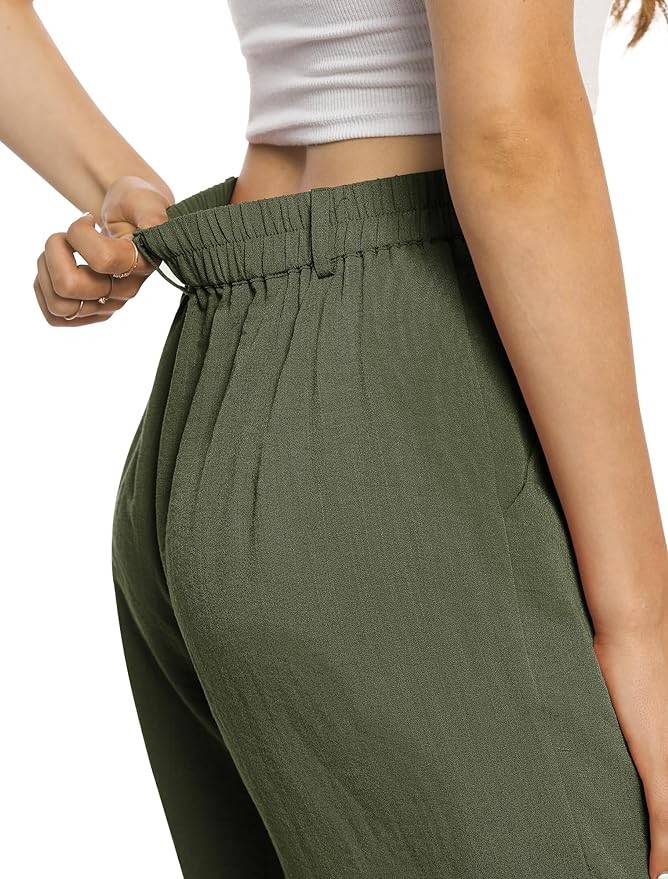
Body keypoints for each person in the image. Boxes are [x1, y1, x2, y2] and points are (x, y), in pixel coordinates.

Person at [3, 0, 667, 876]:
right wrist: (644, 620)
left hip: (218, 383)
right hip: (402, 404)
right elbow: (514, 135)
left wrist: (116, 186)